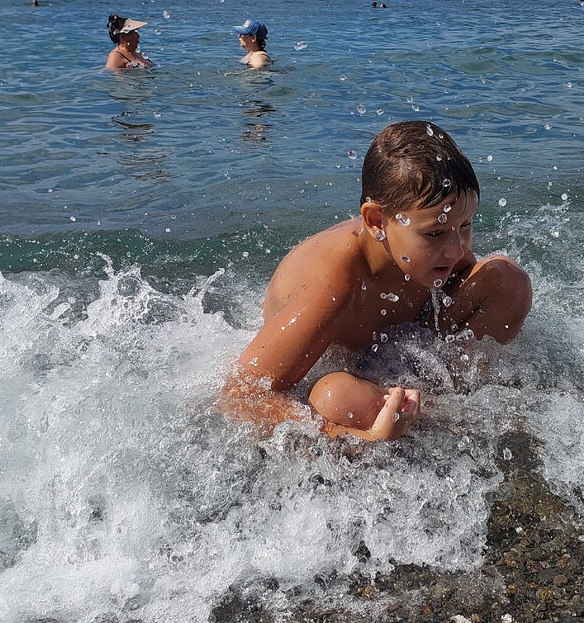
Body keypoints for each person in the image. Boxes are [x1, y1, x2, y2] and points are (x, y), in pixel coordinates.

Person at [221, 120, 533, 441]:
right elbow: (239, 395)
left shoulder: (434, 253)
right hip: (337, 374)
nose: (457, 250)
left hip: (395, 356)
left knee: (506, 280)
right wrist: (359, 439)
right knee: (338, 398)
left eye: (465, 225)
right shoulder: (333, 284)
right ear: (376, 221)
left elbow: (487, 285)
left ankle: (442, 404)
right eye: (436, 233)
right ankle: (414, 421)